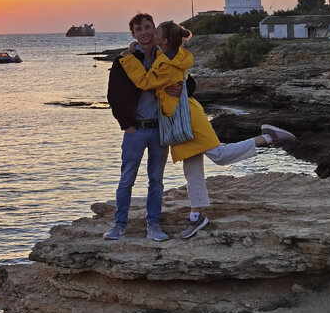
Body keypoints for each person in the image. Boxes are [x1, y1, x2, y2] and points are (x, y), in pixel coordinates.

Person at [119, 20, 295, 238]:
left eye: (154, 31)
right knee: (192, 172)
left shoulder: (166, 63)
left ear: (163, 40)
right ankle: (196, 216)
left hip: (188, 118)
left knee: (219, 155)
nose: (150, 34)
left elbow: (145, 82)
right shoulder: (168, 56)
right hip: (179, 118)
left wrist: (127, 59)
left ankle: (267, 137)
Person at [105, 12, 184, 243]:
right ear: (133, 34)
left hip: (160, 128)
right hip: (135, 130)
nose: (145, 33)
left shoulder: (168, 56)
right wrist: (126, 124)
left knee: (156, 180)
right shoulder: (124, 60)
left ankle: (154, 225)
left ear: (154, 30)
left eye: (148, 27)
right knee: (127, 179)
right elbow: (113, 95)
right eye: (139, 29)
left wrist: (184, 88)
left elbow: (187, 80)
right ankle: (119, 225)